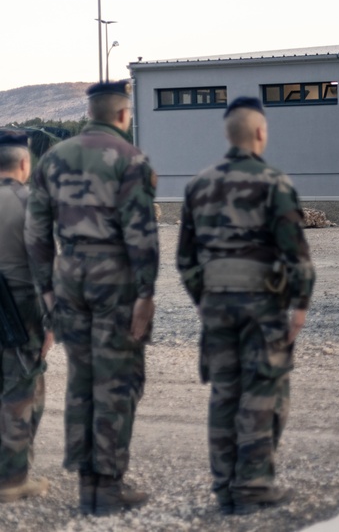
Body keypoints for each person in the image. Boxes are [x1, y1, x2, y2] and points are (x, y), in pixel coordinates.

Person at [24, 80, 159, 516]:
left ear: (89, 112)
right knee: (117, 380)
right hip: (113, 278)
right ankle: (108, 487)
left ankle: (87, 484)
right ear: (122, 115)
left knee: (82, 380)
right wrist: (145, 293)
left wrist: (46, 287)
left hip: (69, 276)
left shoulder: (53, 158)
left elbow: (36, 232)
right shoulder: (130, 159)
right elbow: (141, 233)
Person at [177, 96, 314, 515]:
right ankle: (253, 485)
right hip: (262, 306)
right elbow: (295, 253)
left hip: (217, 303)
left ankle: (225, 488)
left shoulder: (198, 184)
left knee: (224, 393)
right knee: (262, 391)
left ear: (227, 132)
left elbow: (185, 257)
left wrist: (206, 297)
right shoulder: (274, 182)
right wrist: (300, 304)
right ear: (259, 132)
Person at [0, 130, 54, 503]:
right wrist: (51, 324)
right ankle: (12, 479)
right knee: (22, 392)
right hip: (19, 313)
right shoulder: (31, 202)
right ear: (24, 164)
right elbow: (46, 270)